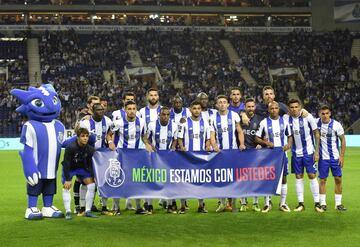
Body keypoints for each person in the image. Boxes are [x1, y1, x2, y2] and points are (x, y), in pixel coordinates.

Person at [112, 100, 153, 215]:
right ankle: (116, 207)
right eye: (129, 109)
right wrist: (110, 142)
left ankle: (139, 207)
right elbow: (109, 134)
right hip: (121, 156)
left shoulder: (142, 122)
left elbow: (144, 136)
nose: (131, 111)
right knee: (118, 181)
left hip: (136, 156)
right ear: (125, 110)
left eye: (133, 109)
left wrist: (147, 144)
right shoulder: (118, 123)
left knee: (136, 181)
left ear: (136, 110)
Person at [283, 99, 323, 213]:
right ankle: (301, 203)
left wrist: (316, 151)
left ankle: (317, 203)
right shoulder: (286, 118)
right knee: (298, 177)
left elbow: (316, 133)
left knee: (311, 175)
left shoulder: (308, 116)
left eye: (296, 107)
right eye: (291, 107)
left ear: (300, 107)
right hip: (295, 153)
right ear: (289, 109)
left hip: (308, 152)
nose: (294, 109)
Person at [177, 100, 215, 214]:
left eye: (199, 108)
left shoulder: (205, 123)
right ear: (190, 109)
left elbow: (208, 138)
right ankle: (183, 206)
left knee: (200, 182)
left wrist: (208, 145)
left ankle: (201, 206)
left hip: (200, 156)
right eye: (194, 108)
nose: (197, 110)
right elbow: (179, 137)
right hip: (187, 157)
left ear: (201, 110)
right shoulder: (184, 122)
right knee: (184, 182)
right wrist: (182, 147)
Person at [209, 95, 245, 213]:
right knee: (221, 179)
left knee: (234, 178)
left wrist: (241, 144)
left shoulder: (234, 115)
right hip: (220, 153)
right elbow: (212, 135)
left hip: (233, 152)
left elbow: (239, 131)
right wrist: (214, 147)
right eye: (220, 102)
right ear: (217, 105)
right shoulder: (213, 118)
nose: (222, 104)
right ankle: (222, 203)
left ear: (228, 104)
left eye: (224, 102)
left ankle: (233, 203)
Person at [255, 101, 293, 213]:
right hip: (268, 155)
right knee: (267, 179)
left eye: (276, 108)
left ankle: (283, 203)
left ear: (278, 109)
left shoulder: (284, 122)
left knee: (284, 179)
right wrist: (266, 143)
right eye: (272, 108)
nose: (274, 110)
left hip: (282, 155)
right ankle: (267, 204)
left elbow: (290, 135)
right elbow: (256, 138)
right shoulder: (264, 122)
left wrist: (289, 144)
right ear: (268, 110)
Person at [79, 103, 116, 215]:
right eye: (98, 110)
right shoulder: (85, 123)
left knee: (104, 181)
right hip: (88, 156)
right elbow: (80, 137)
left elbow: (110, 132)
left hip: (103, 156)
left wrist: (110, 141)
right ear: (92, 111)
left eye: (102, 110)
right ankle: (82, 207)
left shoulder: (108, 121)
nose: (100, 112)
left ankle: (104, 207)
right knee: (86, 181)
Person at [146, 106, 178, 214]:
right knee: (153, 181)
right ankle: (149, 206)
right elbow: (145, 137)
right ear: (159, 115)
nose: (165, 117)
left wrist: (173, 147)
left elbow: (175, 139)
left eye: (167, 115)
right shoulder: (152, 125)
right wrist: (150, 145)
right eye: (163, 114)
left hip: (168, 157)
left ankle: (169, 205)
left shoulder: (174, 126)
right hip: (155, 156)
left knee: (168, 182)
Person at [61, 128, 97, 219]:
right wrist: (68, 179)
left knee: (92, 185)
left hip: (82, 168)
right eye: (82, 136)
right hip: (70, 168)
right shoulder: (70, 147)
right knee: (66, 186)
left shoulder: (90, 149)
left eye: (87, 136)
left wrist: (93, 176)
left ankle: (87, 210)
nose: (85, 138)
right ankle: (68, 211)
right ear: (77, 137)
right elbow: (66, 163)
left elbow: (90, 164)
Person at [316, 105, 347, 211]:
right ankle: (323, 203)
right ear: (319, 114)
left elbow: (343, 139)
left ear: (330, 114)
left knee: (338, 179)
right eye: (323, 113)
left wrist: (342, 156)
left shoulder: (336, 125)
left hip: (335, 157)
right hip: (323, 158)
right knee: (323, 180)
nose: (325, 116)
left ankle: (338, 204)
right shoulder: (316, 123)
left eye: (327, 113)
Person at [239, 98, 263, 212]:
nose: (251, 109)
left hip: (255, 153)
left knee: (255, 179)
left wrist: (261, 145)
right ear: (245, 107)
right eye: (248, 107)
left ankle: (255, 203)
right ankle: (243, 203)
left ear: (255, 107)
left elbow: (265, 135)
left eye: (252, 106)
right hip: (242, 153)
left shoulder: (260, 120)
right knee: (242, 179)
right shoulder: (239, 119)